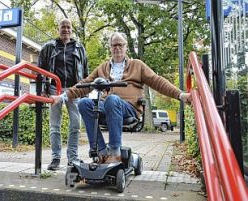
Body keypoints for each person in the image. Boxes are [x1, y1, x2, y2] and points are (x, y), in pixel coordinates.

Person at [51, 32, 191, 164]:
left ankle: (114, 151)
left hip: (128, 108)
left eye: (120, 45)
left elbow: (157, 81)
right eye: (114, 45)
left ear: (126, 47)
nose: (117, 48)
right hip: (107, 107)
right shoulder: (103, 67)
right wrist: (62, 97)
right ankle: (100, 150)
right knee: (84, 103)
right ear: (110, 48)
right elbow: (85, 84)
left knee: (112, 99)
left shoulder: (138, 65)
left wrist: (180, 95)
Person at [38, 18, 88, 170]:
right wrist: (41, 89)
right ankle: (55, 158)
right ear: (58, 29)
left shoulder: (79, 48)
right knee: (55, 125)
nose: (65, 30)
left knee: (75, 124)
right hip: (55, 89)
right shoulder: (48, 47)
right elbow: (40, 70)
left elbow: (85, 71)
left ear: (71, 30)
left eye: (68, 27)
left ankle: (72, 158)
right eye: (63, 27)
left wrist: (85, 90)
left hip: (74, 89)